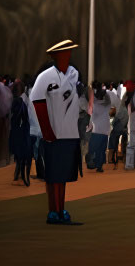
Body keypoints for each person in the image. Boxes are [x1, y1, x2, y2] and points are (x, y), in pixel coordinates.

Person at [30, 39, 84, 225]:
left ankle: (61, 210)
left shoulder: (73, 75)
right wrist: (46, 131)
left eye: (69, 52)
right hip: (54, 135)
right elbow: (37, 101)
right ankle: (54, 211)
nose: (67, 55)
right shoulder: (45, 77)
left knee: (64, 176)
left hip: (70, 134)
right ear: (55, 55)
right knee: (54, 176)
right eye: (64, 52)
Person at [9, 80, 33, 186]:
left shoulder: (19, 100)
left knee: (21, 154)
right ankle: (22, 176)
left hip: (20, 130)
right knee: (24, 155)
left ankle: (20, 176)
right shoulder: (25, 99)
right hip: (24, 130)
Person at [87, 80, 112, 172]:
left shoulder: (94, 103)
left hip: (97, 129)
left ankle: (93, 163)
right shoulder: (107, 103)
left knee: (93, 148)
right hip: (105, 128)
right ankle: (99, 166)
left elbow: (90, 111)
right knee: (102, 149)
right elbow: (107, 98)